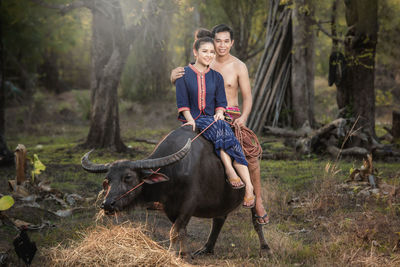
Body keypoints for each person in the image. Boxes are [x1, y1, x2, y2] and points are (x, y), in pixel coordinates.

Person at [171, 25, 269, 225]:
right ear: (211, 42)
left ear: (232, 43)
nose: (221, 46)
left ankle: (257, 200)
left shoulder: (238, 66)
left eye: (226, 41)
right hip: (201, 116)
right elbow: (186, 79)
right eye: (218, 41)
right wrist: (172, 75)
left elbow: (248, 98)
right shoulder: (206, 58)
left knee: (251, 157)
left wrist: (244, 117)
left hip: (231, 115)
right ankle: (168, 192)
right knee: (177, 148)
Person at [176, 36, 255, 208]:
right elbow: (183, 103)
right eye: (205, 51)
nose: (209, 55)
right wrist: (190, 121)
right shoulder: (183, 74)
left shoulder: (216, 77)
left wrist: (220, 112)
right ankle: (229, 169)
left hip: (215, 119)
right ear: (195, 52)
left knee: (231, 139)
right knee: (221, 130)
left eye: (212, 52)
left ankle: (249, 187)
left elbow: (221, 102)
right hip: (196, 118)